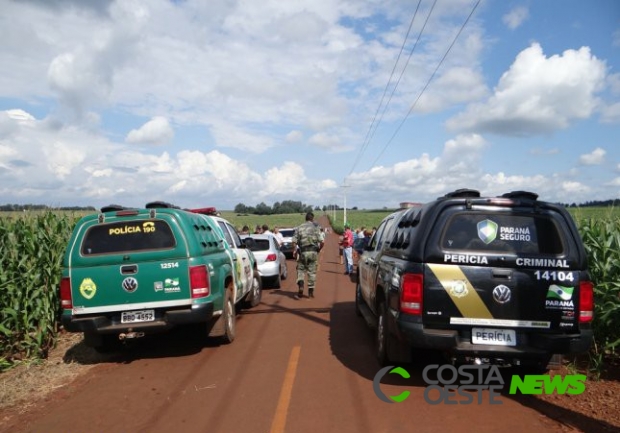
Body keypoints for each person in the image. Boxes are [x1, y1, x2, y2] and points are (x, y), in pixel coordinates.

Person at [291, 212, 324, 299]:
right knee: (312, 272)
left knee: (300, 270)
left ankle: (301, 286)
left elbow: (294, 242)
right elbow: (322, 242)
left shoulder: (299, 227)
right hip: (313, 252)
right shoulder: (316, 227)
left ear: (305, 218)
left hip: (303, 252)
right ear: (312, 219)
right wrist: (318, 250)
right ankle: (310, 293)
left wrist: (295, 251)